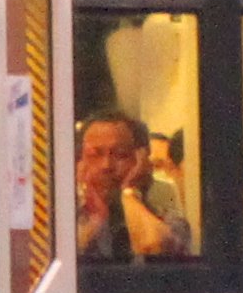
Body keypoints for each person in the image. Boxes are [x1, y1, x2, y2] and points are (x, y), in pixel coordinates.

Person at [77, 112, 185, 263]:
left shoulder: (166, 219)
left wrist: (129, 191)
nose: (106, 165)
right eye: (94, 155)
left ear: (141, 161)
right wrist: (96, 219)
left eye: (120, 155)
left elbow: (154, 246)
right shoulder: (63, 219)